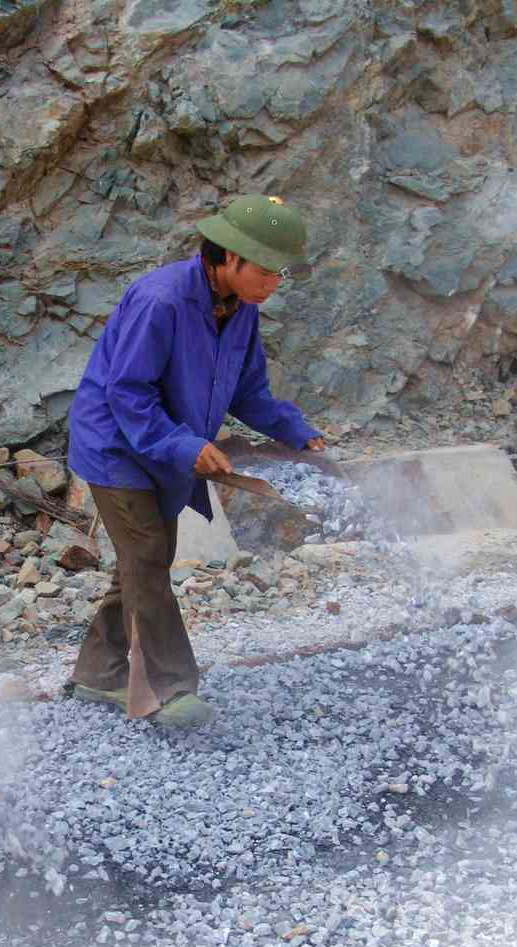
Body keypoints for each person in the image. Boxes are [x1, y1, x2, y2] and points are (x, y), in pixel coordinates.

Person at [65, 194, 326, 729]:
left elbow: (248, 393)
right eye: (266, 269)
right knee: (147, 561)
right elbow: (128, 392)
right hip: (117, 445)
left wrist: (296, 433)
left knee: (144, 564)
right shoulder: (160, 301)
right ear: (227, 257)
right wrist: (185, 445)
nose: (274, 282)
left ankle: (96, 673)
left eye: (282, 272)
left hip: (162, 451)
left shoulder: (241, 312)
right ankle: (166, 691)